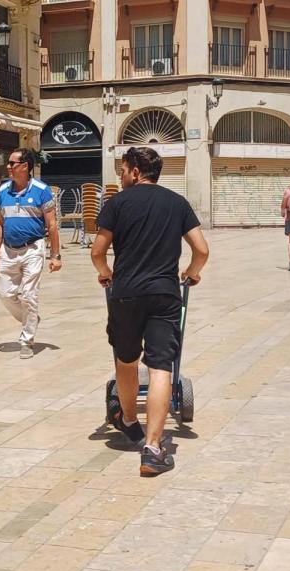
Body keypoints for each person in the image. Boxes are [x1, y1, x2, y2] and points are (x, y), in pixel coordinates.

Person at [90, 147, 209, 477]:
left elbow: (98, 251)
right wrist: (192, 272)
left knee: (125, 361)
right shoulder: (177, 203)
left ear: (136, 170)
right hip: (164, 294)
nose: (121, 175)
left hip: (125, 294)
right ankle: (154, 449)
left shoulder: (116, 204)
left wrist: (105, 273)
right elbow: (201, 249)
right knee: (160, 367)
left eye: (123, 169)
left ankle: (129, 421)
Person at [0, 149, 62, 359]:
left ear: (25, 166)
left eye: (13, 163)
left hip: (33, 248)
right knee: (6, 295)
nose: (8, 167)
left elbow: (51, 224)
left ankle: (26, 340)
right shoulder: (3, 190)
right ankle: (30, 318)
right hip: (8, 250)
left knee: (29, 295)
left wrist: (55, 255)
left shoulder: (42, 190)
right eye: (9, 163)